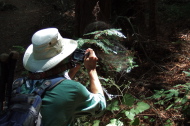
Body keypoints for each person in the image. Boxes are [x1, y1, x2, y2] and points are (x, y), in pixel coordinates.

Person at [21, 28, 106, 126]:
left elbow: (50, 88)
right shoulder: (73, 89)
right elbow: (100, 107)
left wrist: (72, 71)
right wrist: (91, 69)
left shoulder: (19, 85)